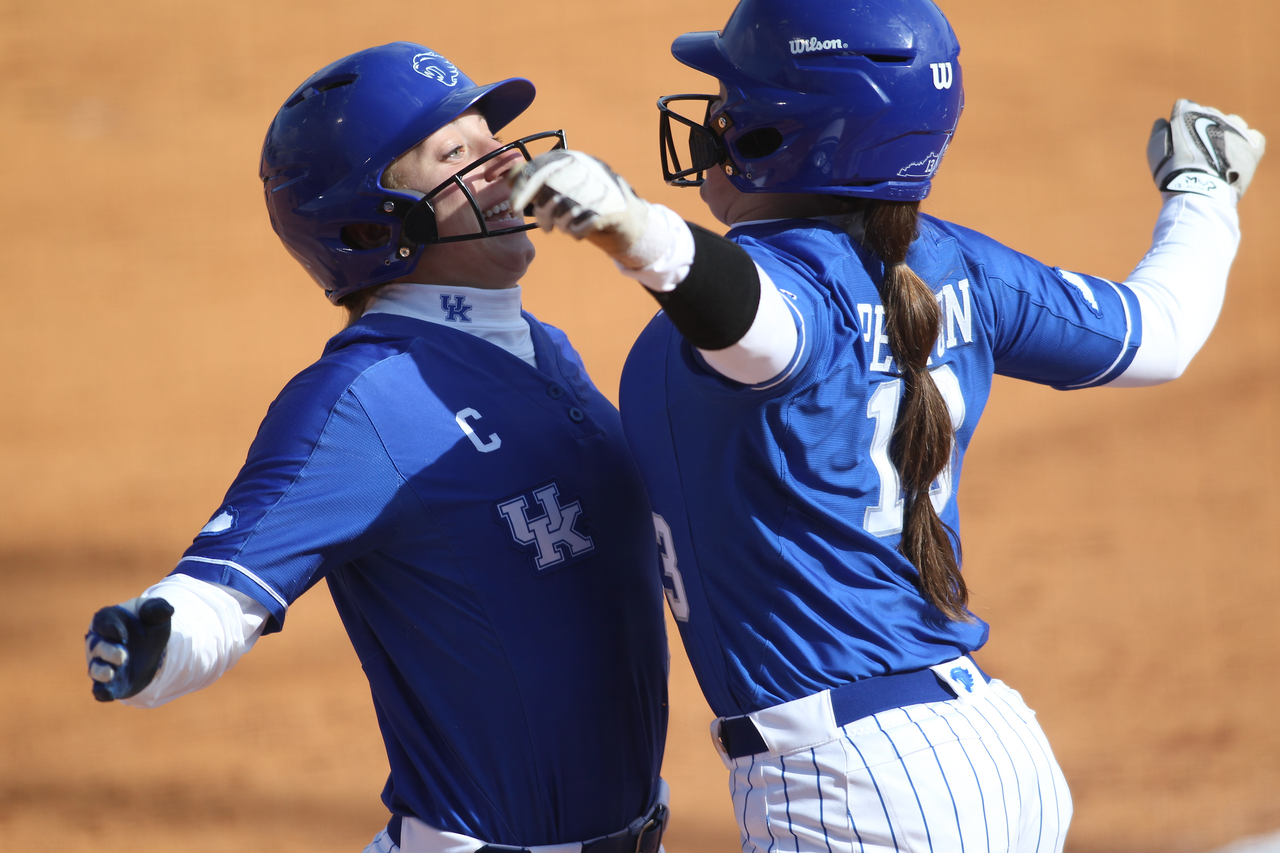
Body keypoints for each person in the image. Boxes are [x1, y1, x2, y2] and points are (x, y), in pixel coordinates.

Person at [506, 1, 1266, 851]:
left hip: (853, 793)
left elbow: (755, 321)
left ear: (774, 134)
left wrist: (634, 224)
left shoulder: (784, 295)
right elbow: (1157, 332)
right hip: (992, 751)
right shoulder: (957, 264)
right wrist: (1203, 191)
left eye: (730, 100)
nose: (712, 119)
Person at [83, 42, 671, 853]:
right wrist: (156, 634)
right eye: (458, 152)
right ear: (371, 225)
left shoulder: (545, 349)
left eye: (493, 138)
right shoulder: (362, 398)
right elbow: (223, 591)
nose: (504, 162)